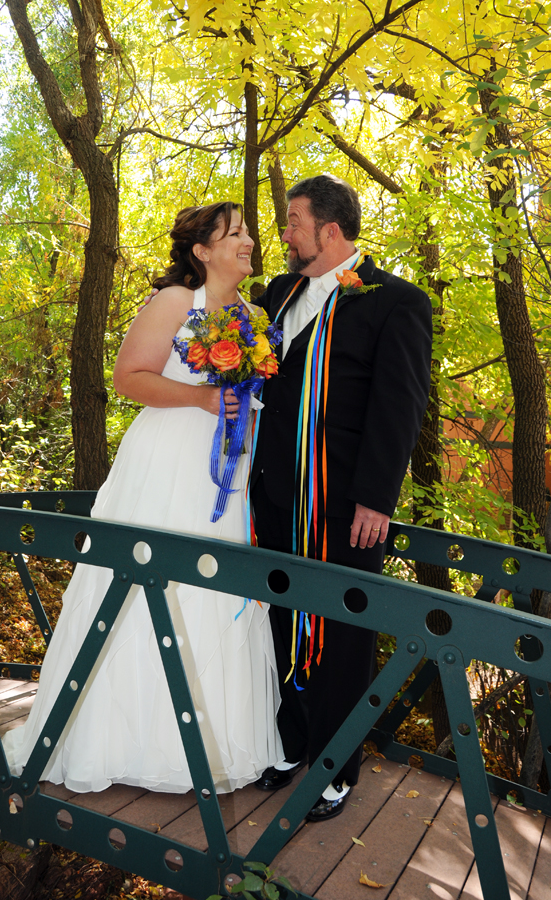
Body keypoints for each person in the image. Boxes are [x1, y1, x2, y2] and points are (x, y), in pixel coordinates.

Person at [3, 201, 283, 794]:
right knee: (142, 586)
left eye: (248, 231)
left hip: (226, 473)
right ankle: (114, 739)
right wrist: (203, 400)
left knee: (212, 590)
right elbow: (129, 377)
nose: (248, 240)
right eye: (234, 233)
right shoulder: (175, 302)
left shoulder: (253, 314)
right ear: (202, 251)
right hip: (166, 462)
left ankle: (203, 749)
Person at [250, 174, 432, 820]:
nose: (285, 232)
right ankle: (293, 740)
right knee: (279, 619)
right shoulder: (277, 294)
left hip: (343, 506)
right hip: (272, 496)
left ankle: (335, 765)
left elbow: (400, 406)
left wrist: (377, 498)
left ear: (330, 229)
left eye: (293, 220)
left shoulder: (394, 302)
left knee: (342, 632)